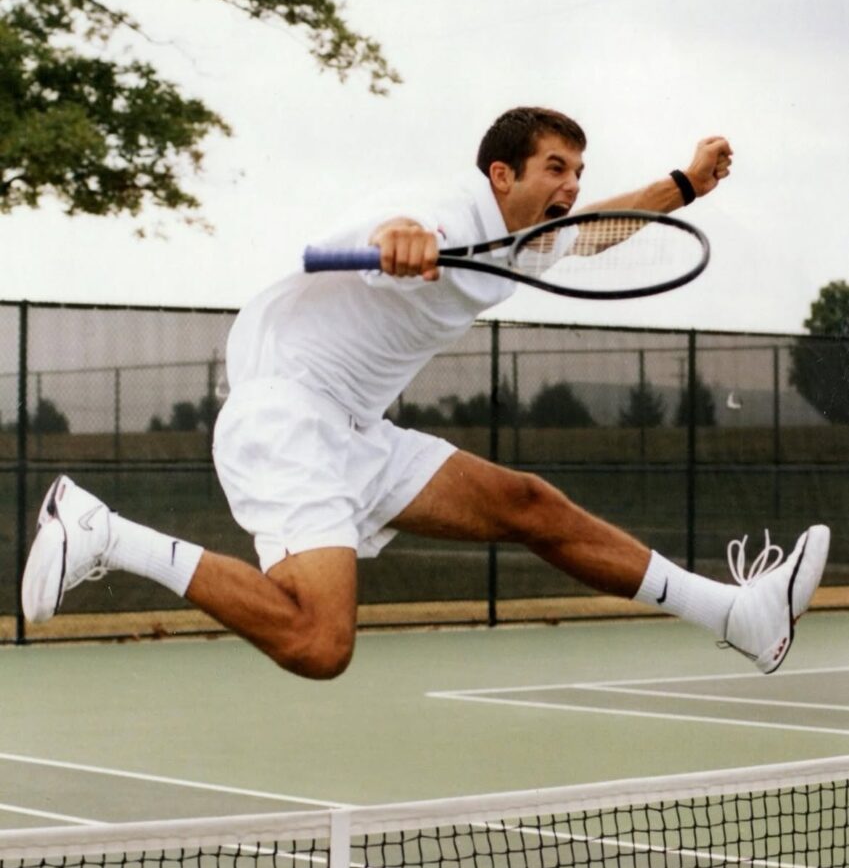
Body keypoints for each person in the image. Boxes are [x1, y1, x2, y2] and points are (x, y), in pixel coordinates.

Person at [21, 107, 829, 679]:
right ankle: (105, 534)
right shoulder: (442, 213)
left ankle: (736, 615)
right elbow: (385, 230)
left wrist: (682, 185)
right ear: (500, 173)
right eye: (556, 168)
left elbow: (592, 231)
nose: (572, 184)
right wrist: (398, 241)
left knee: (529, 507)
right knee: (317, 643)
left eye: (577, 172)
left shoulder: (521, 241)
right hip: (286, 420)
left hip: (353, 431)